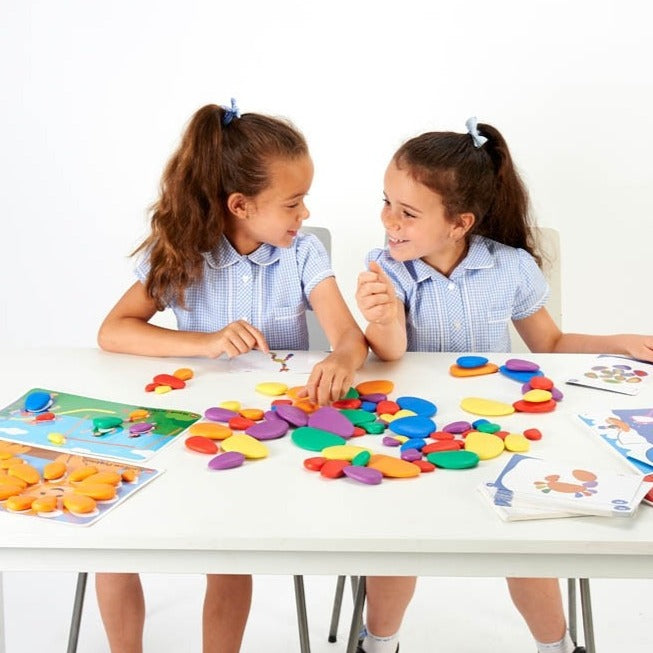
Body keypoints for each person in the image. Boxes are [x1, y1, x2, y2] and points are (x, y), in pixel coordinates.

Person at [355, 117, 653, 653]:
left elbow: (551, 345)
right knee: (398, 539)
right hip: (408, 430)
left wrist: (619, 340)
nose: (388, 221)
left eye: (407, 212)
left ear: (459, 223)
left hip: (498, 428)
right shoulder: (386, 268)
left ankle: (557, 645)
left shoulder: (509, 268)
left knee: (525, 538)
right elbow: (391, 352)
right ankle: (378, 642)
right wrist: (379, 318)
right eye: (386, 203)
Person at [96, 99, 368, 653]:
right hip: (182, 425)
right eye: (292, 203)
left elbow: (349, 337)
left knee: (226, 551)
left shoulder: (302, 253)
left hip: (259, 437)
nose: (303, 214)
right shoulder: (179, 251)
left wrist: (341, 358)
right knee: (113, 541)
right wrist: (205, 342)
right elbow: (114, 331)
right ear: (240, 205)